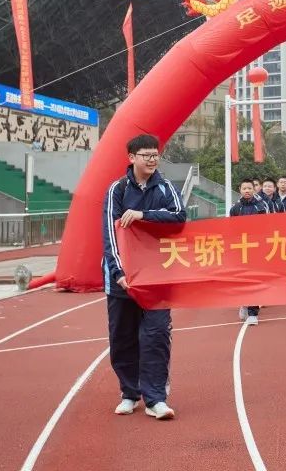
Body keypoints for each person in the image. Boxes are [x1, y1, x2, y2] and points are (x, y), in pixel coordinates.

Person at [102, 134, 186, 420]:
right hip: (123, 279)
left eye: (155, 155)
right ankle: (129, 392)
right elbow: (110, 233)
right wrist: (119, 272)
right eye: (146, 155)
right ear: (132, 158)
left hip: (157, 277)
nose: (152, 159)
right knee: (122, 338)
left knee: (156, 335)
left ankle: (155, 398)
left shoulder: (165, 187)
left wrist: (142, 214)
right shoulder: (117, 189)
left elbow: (179, 217)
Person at [229, 178, 271, 325]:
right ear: (240, 190)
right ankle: (244, 302)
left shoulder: (261, 207)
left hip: (256, 249)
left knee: (254, 278)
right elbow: (231, 228)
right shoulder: (235, 208)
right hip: (240, 248)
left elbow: (266, 226)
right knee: (242, 279)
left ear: (254, 190)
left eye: (249, 188)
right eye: (244, 188)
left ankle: (253, 313)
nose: (247, 191)